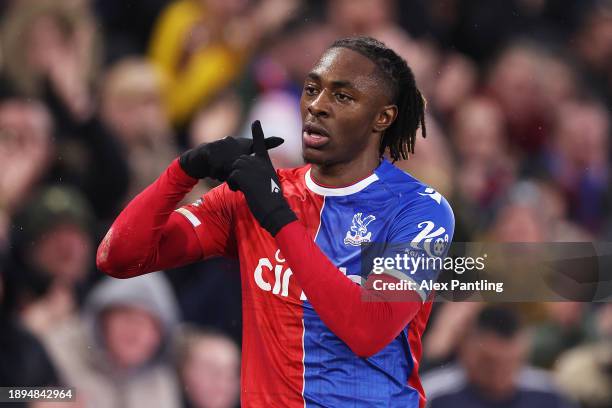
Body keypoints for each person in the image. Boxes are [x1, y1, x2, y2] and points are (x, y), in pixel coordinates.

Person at [98, 36, 455, 407]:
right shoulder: (257, 196)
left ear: (383, 117)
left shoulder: (419, 211)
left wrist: (278, 218)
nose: (317, 106)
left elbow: (367, 329)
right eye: (312, 89)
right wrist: (185, 169)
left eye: (342, 96)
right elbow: (120, 258)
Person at [422, 306, 576, 408]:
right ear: (466, 350)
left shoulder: (550, 394)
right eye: (489, 363)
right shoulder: (432, 395)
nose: (499, 374)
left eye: (510, 364)